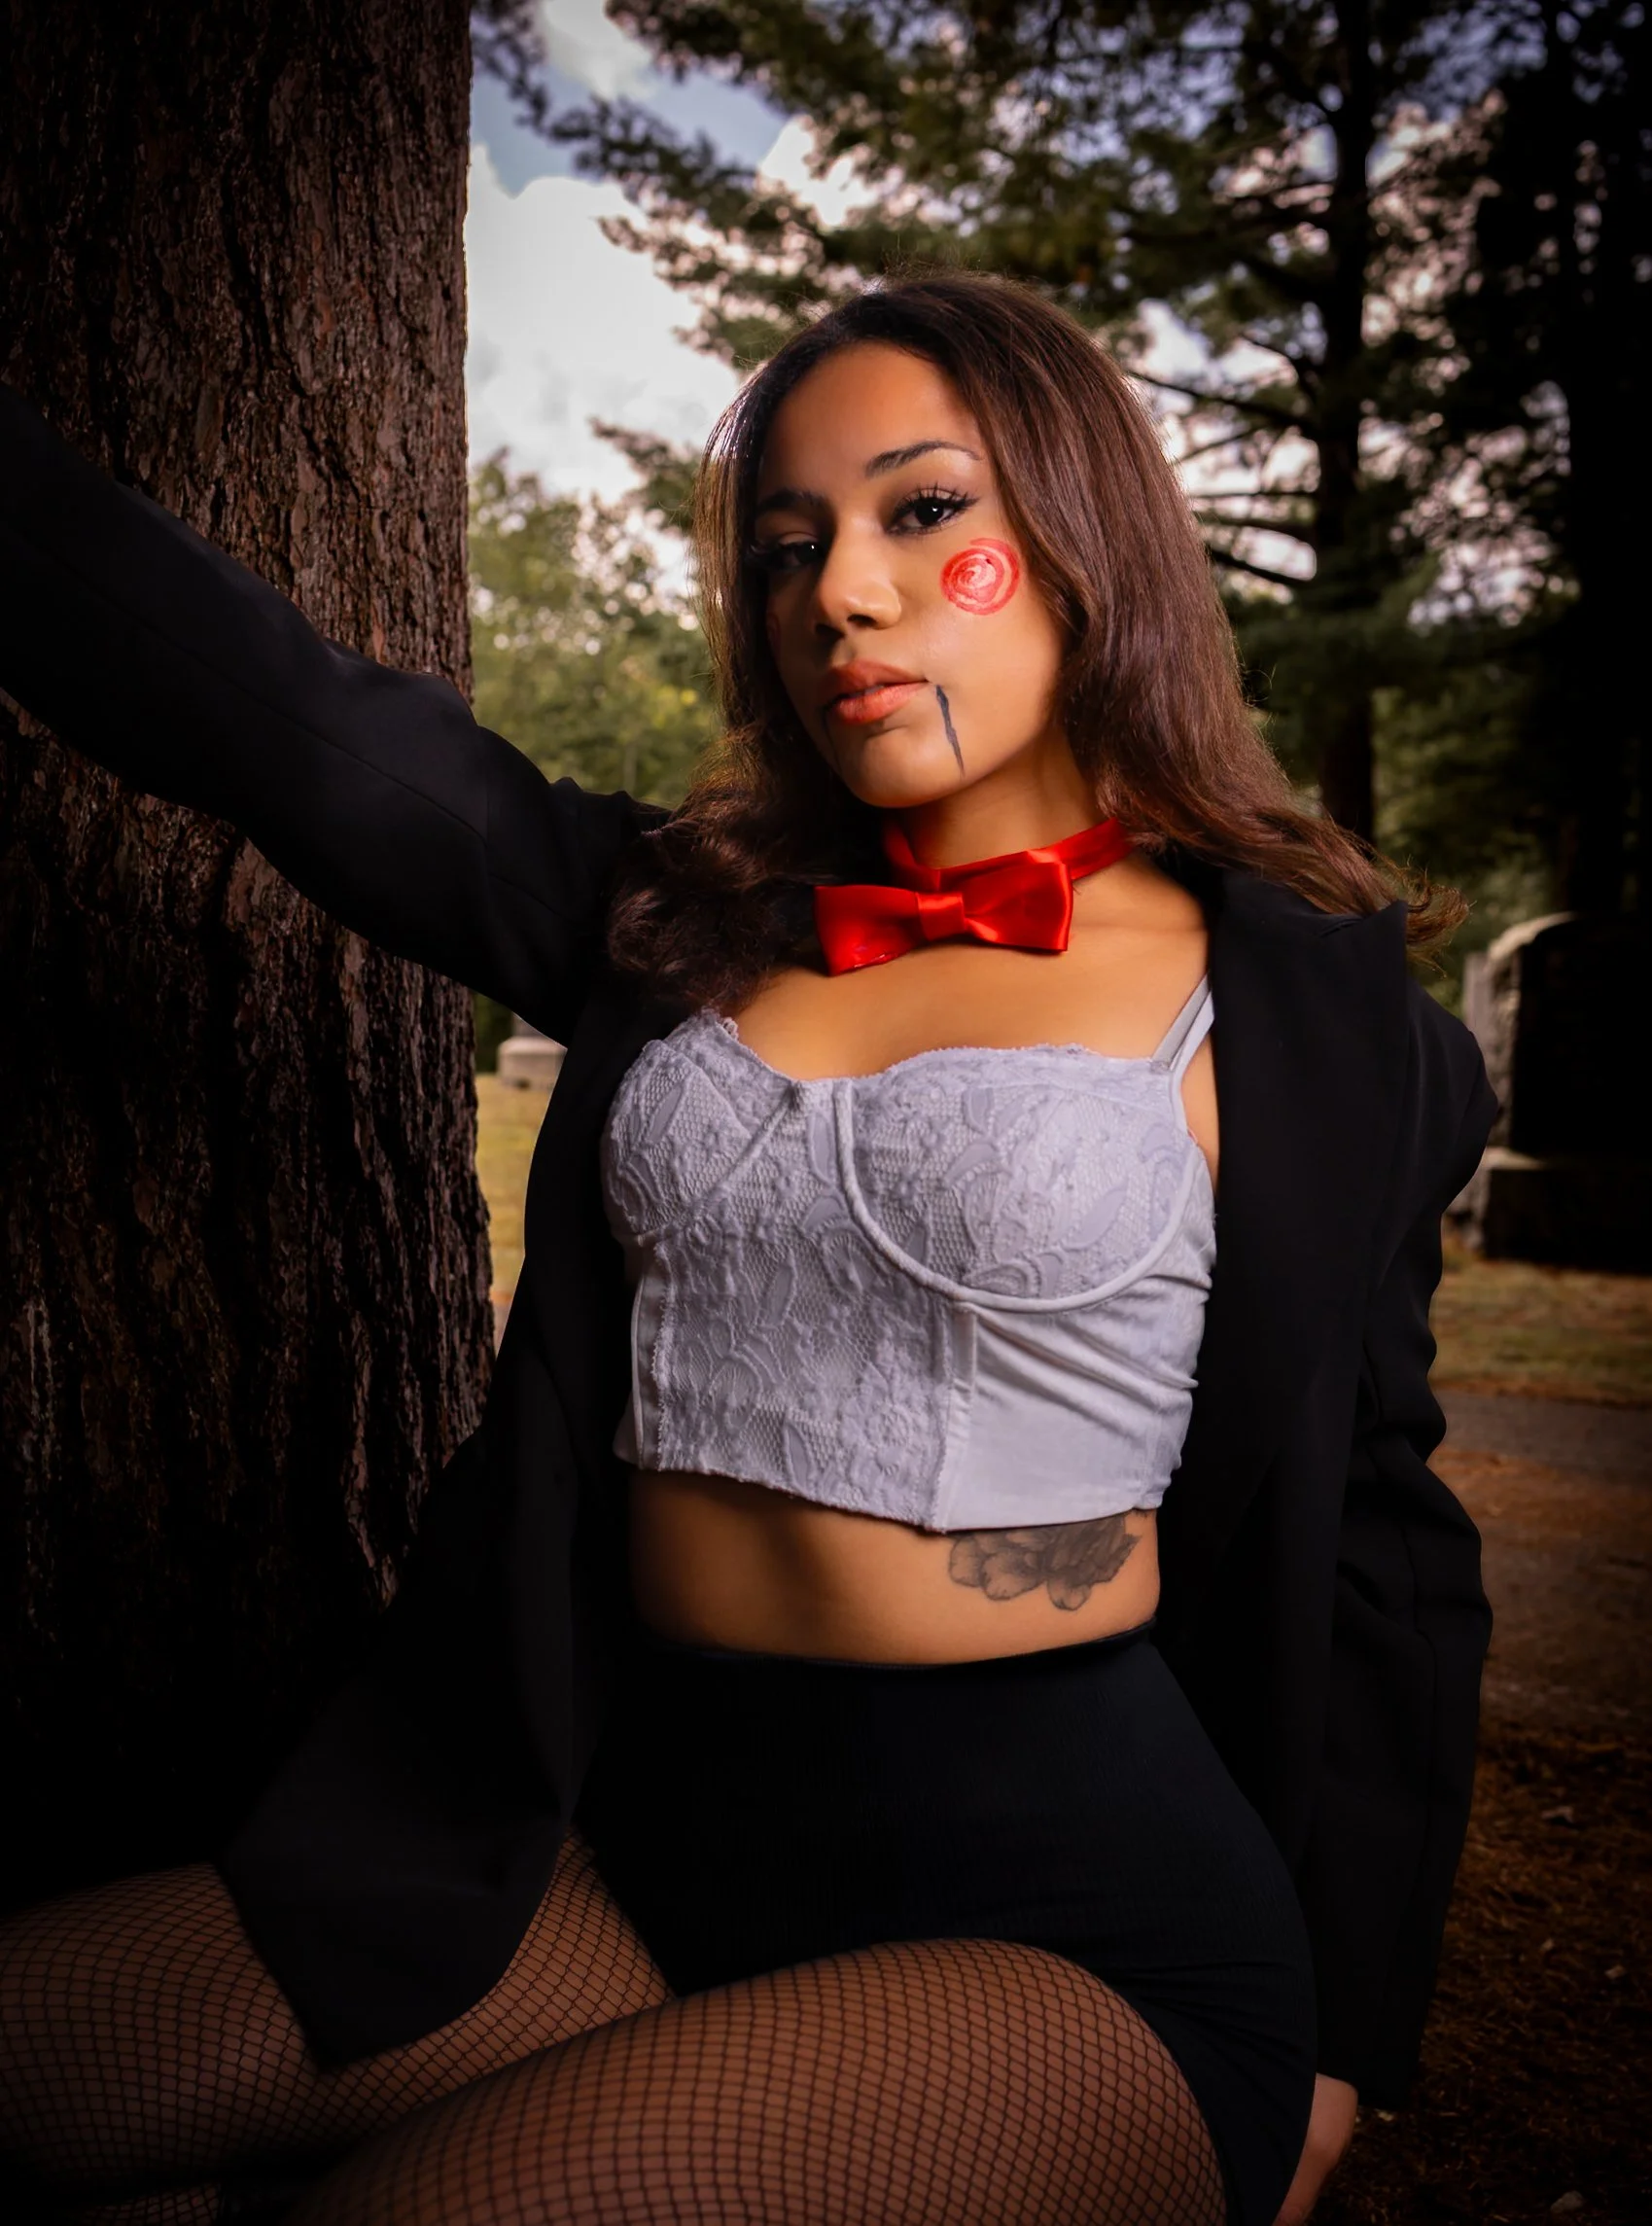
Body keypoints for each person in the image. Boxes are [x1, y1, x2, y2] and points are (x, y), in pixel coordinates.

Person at [0, 273, 1495, 2226]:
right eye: (788, 548)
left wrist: (1345, 2035)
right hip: (622, 1841)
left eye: (921, 511)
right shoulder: (671, 920)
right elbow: (290, 731)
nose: (840, 596)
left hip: (1072, 1925)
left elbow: (1388, 1544)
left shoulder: (1321, 1022)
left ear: (1078, 528)